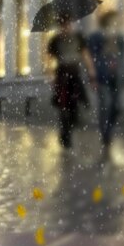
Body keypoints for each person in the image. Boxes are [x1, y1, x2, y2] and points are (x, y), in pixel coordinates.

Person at [48, 19, 97, 150]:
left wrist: (91, 72)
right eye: (63, 26)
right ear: (60, 27)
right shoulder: (55, 40)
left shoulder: (78, 38)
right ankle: (65, 134)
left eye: (68, 25)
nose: (66, 28)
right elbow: (50, 59)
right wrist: (52, 76)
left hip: (74, 74)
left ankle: (70, 125)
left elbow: (85, 55)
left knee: (75, 104)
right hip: (62, 74)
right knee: (63, 106)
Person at [88, 11, 124, 157]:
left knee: (116, 106)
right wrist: (93, 77)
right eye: (114, 20)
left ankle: (108, 129)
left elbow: (123, 58)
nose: (117, 23)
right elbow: (91, 58)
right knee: (105, 105)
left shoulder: (120, 38)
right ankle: (106, 133)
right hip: (102, 77)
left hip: (116, 77)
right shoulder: (96, 37)